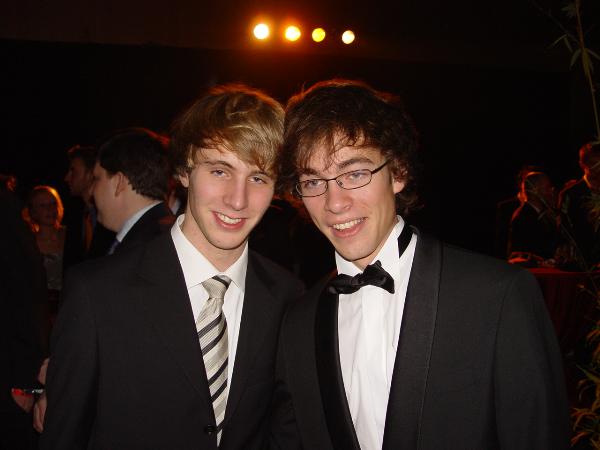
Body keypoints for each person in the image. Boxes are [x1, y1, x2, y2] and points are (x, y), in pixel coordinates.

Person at [269, 79, 569, 449]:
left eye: (355, 173)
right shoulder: (297, 323)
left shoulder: (498, 297)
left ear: (397, 172)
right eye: (314, 181)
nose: (335, 202)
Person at [39, 84, 303, 450]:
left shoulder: (289, 298)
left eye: (258, 178)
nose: (238, 199)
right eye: (220, 171)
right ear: (184, 170)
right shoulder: (97, 294)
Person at [91, 127, 175, 254]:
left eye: (97, 179)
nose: (91, 191)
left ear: (118, 182)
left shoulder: (142, 251)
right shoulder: (165, 234)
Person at [62, 144, 114, 267]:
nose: (67, 178)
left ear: (91, 173)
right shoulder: (79, 214)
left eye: (73, 171)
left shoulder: (109, 214)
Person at [557, 141, 600, 270]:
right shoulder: (571, 194)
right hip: (585, 263)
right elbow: (564, 230)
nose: (598, 167)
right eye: (593, 163)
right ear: (582, 165)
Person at [507, 171, 558, 263]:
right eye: (547, 188)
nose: (551, 191)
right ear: (535, 190)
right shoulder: (523, 217)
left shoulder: (543, 214)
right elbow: (525, 254)